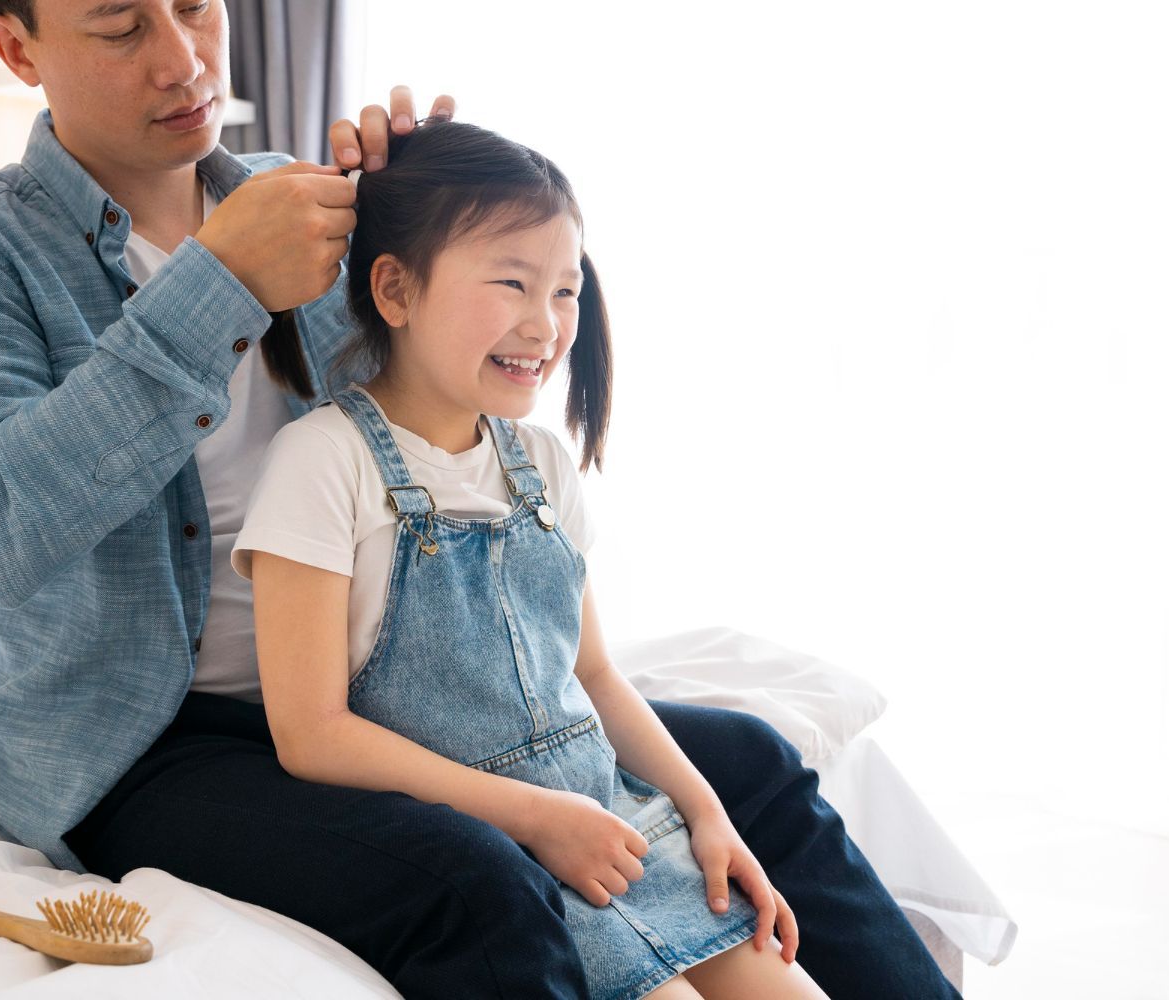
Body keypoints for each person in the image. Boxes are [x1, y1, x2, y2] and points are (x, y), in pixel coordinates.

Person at [0, 1, 963, 997]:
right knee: (472, 877)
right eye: (119, 26)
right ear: (18, 49)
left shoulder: (318, 208)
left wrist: (435, 202)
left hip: (397, 692)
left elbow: (462, 372)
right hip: (150, 741)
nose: (181, 56)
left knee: (752, 764)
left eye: (198, 5)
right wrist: (221, 284)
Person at [229, 119, 830, 1000]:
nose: (545, 325)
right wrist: (537, 817)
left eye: (565, 290)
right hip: (501, 855)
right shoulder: (325, 462)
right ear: (394, 290)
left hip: (615, 830)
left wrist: (706, 813)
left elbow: (594, 675)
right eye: (511, 282)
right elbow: (310, 734)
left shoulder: (540, 460)